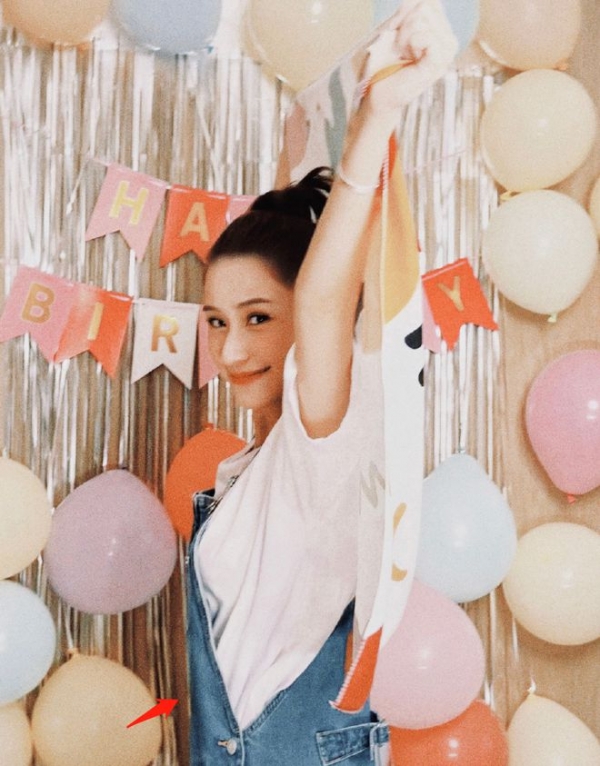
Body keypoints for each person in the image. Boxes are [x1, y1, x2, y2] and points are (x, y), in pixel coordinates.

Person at [186, 2, 457, 763]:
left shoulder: (322, 440)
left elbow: (320, 297)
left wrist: (374, 117)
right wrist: (295, 156)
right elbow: (292, 279)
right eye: (216, 321)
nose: (233, 348)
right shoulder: (256, 465)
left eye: (257, 319)